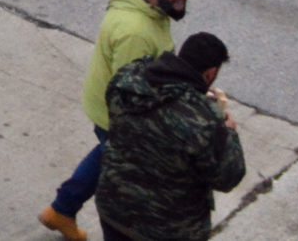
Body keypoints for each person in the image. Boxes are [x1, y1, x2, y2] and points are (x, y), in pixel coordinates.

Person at [38, 0, 191, 241]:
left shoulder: (144, 4)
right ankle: (64, 210)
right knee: (122, 167)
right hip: (117, 113)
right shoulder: (136, 33)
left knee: (105, 154)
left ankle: (61, 210)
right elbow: (130, 93)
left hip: (105, 103)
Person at [92, 30, 244, 241]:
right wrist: (229, 133)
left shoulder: (128, 79)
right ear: (210, 74)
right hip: (168, 229)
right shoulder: (204, 120)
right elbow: (228, 178)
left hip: (114, 208)